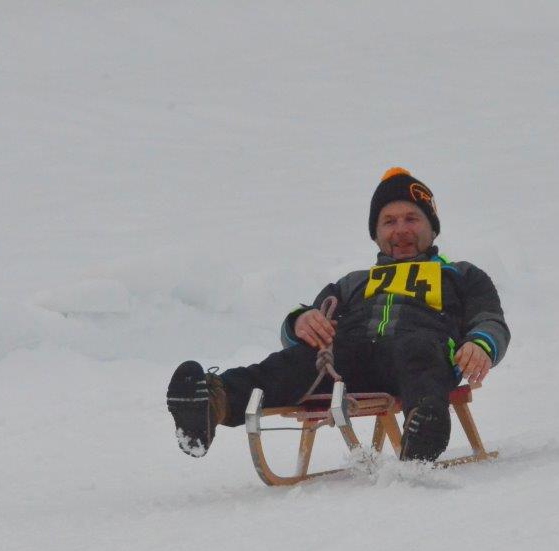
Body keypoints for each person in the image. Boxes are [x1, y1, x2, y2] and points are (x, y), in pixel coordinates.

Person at [166, 167, 510, 462]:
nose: (401, 229)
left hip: (420, 356)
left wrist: (480, 344)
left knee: (418, 350)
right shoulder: (353, 283)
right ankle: (213, 403)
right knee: (300, 360)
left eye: (412, 218)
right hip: (350, 360)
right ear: (376, 233)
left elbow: (490, 321)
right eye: (389, 221)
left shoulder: (461, 275)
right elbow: (307, 321)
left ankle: (426, 425)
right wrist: (301, 322)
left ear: (432, 227)